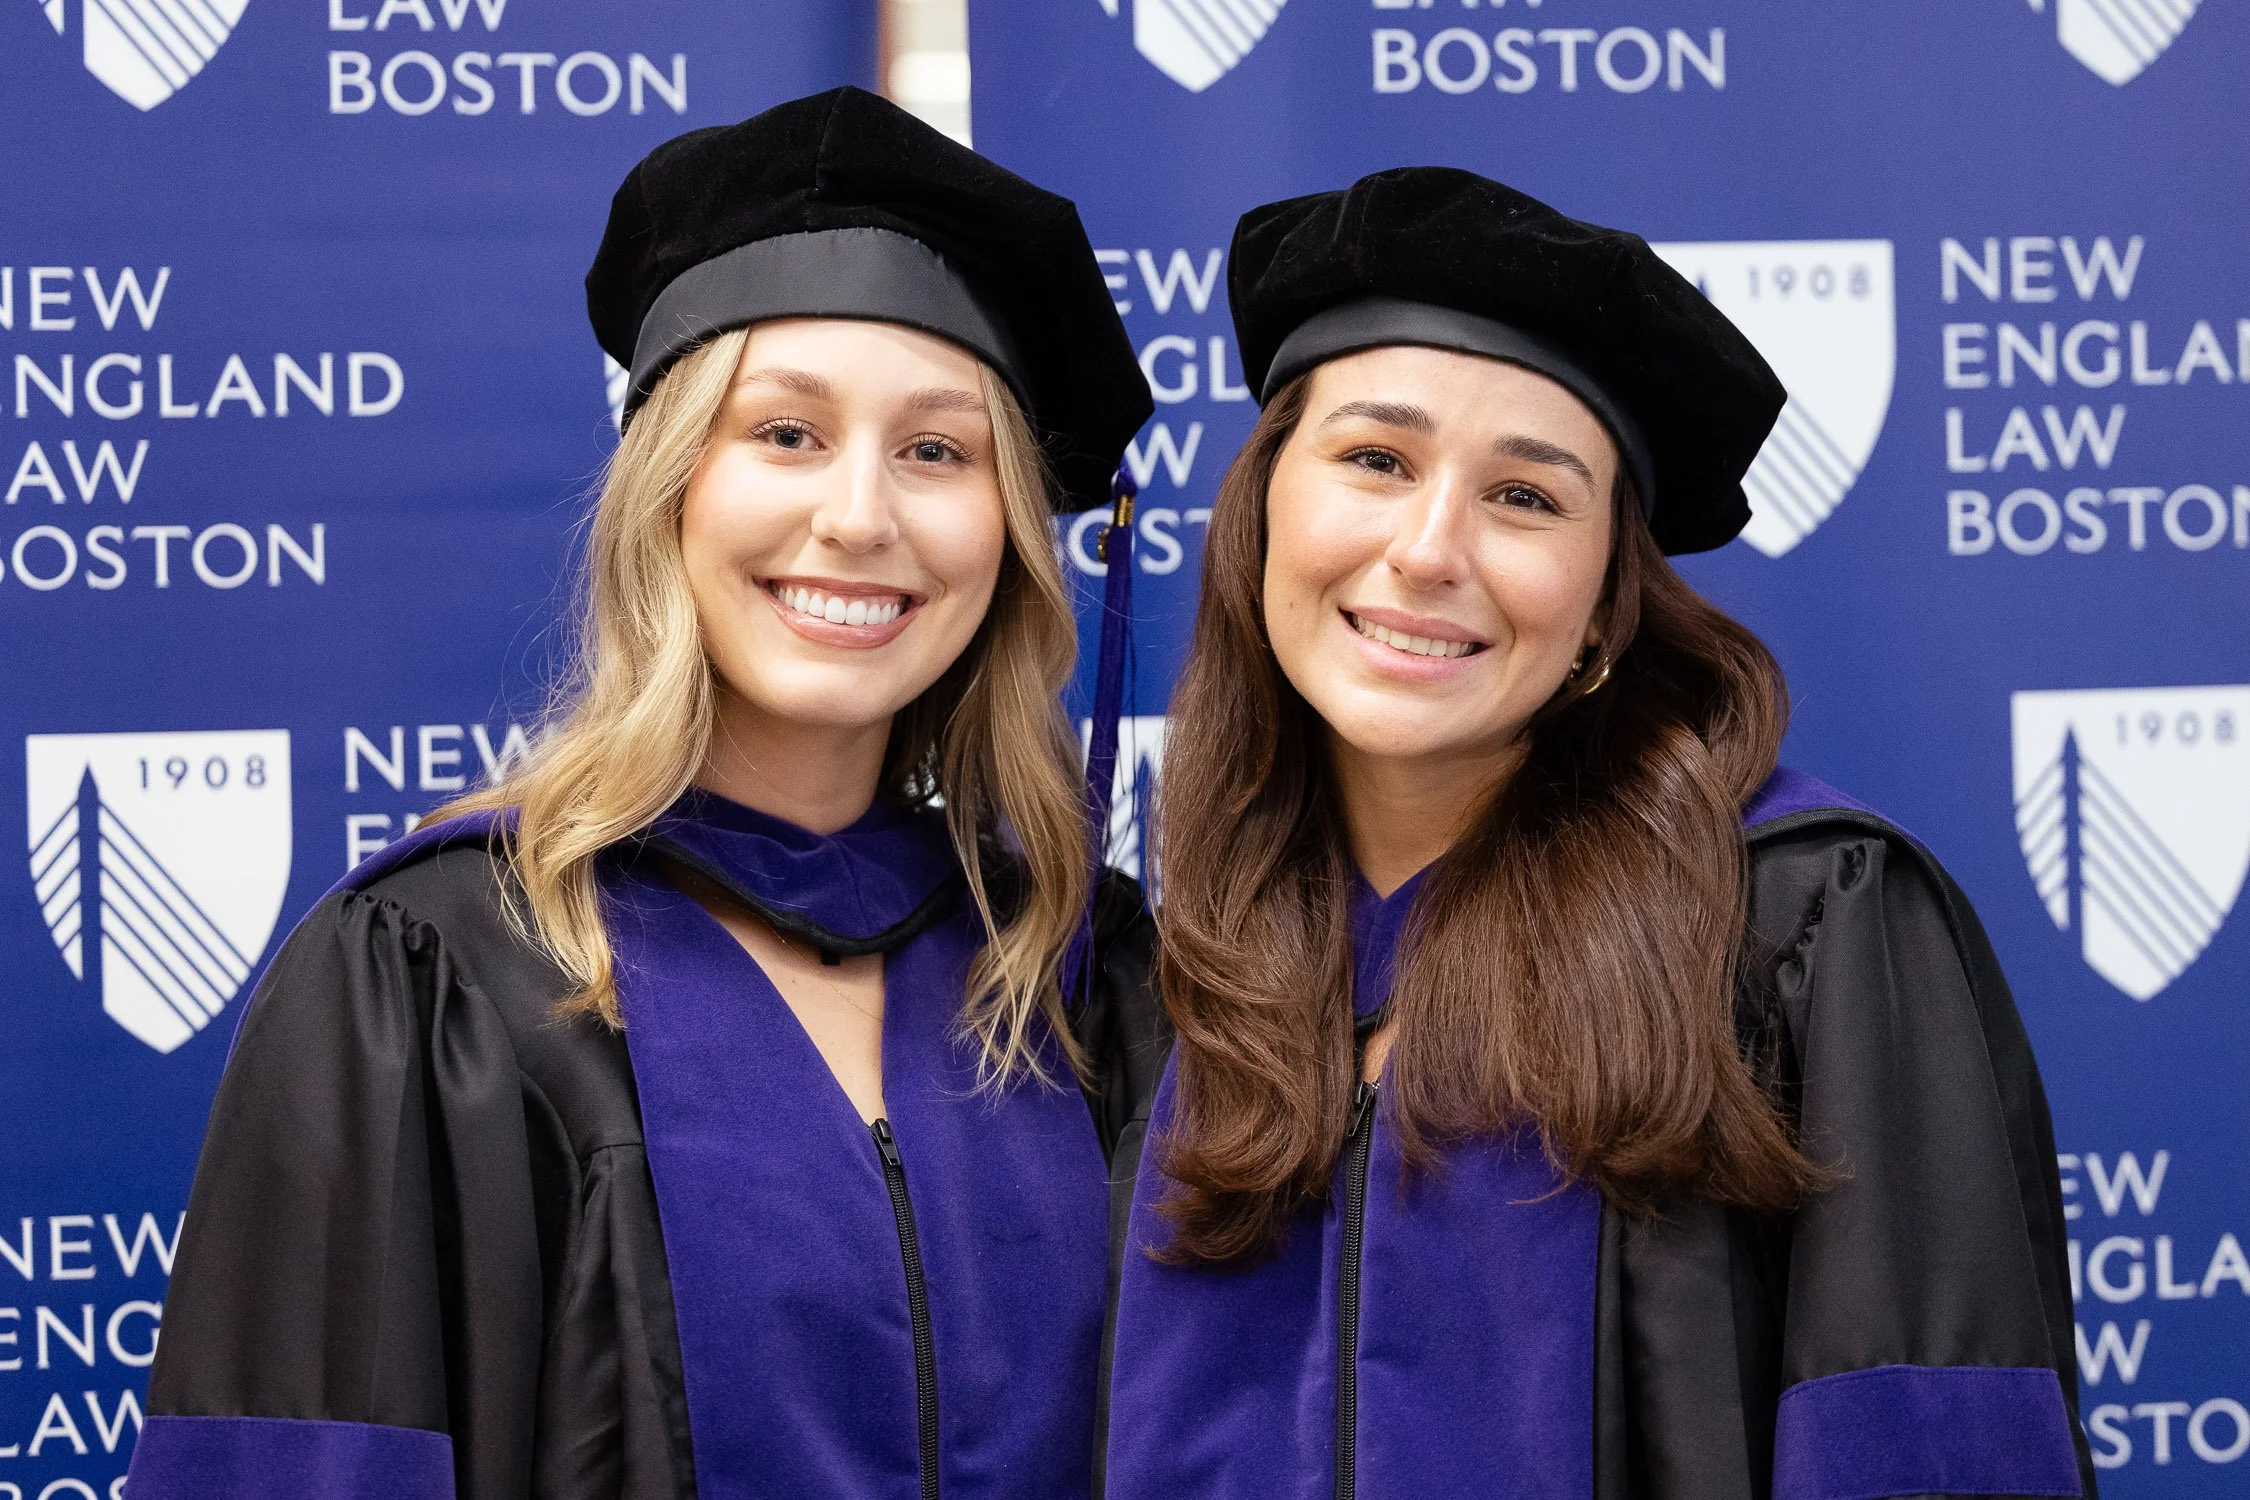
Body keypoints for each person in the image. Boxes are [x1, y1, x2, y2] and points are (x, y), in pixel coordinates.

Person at [126, 87, 1163, 1500]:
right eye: (784, 434)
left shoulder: (1085, 978)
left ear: (1004, 536)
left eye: (936, 450)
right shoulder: (438, 977)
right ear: (668, 489)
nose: (860, 516)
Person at [1104, 168, 2093, 1500]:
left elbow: (1922, 1451)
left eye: (1524, 497)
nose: (1427, 548)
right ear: (1263, 506)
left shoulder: (1802, 925)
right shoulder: (1172, 980)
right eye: (1374, 460)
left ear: (1602, 611)